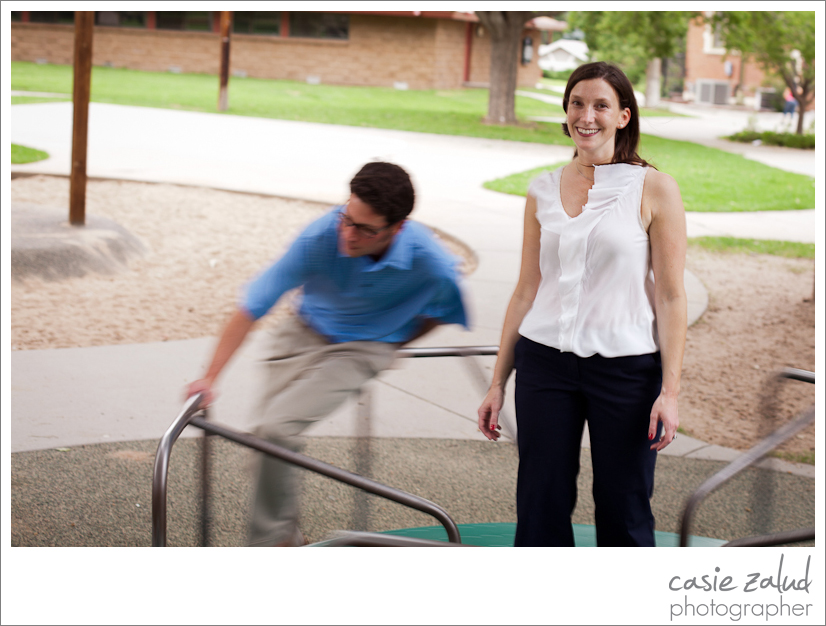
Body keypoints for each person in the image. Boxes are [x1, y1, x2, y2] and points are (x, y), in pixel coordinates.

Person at [187, 161, 468, 546]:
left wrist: (394, 341)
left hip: (363, 348)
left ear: (396, 228)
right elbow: (252, 306)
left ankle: (266, 550)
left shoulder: (430, 263)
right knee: (263, 447)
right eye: (346, 217)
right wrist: (210, 377)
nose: (347, 235)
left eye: (364, 229)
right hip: (303, 331)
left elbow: (444, 310)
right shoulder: (321, 235)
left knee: (276, 431)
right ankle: (288, 539)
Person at [477, 61, 687, 547]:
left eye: (600, 105)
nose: (586, 115)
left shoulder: (654, 188)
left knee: (624, 503)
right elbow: (526, 288)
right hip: (544, 366)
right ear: (565, 111)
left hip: (627, 370)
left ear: (623, 117)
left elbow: (673, 296)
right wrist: (496, 383)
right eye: (576, 103)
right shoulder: (541, 189)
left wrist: (670, 392)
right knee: (539, 501)